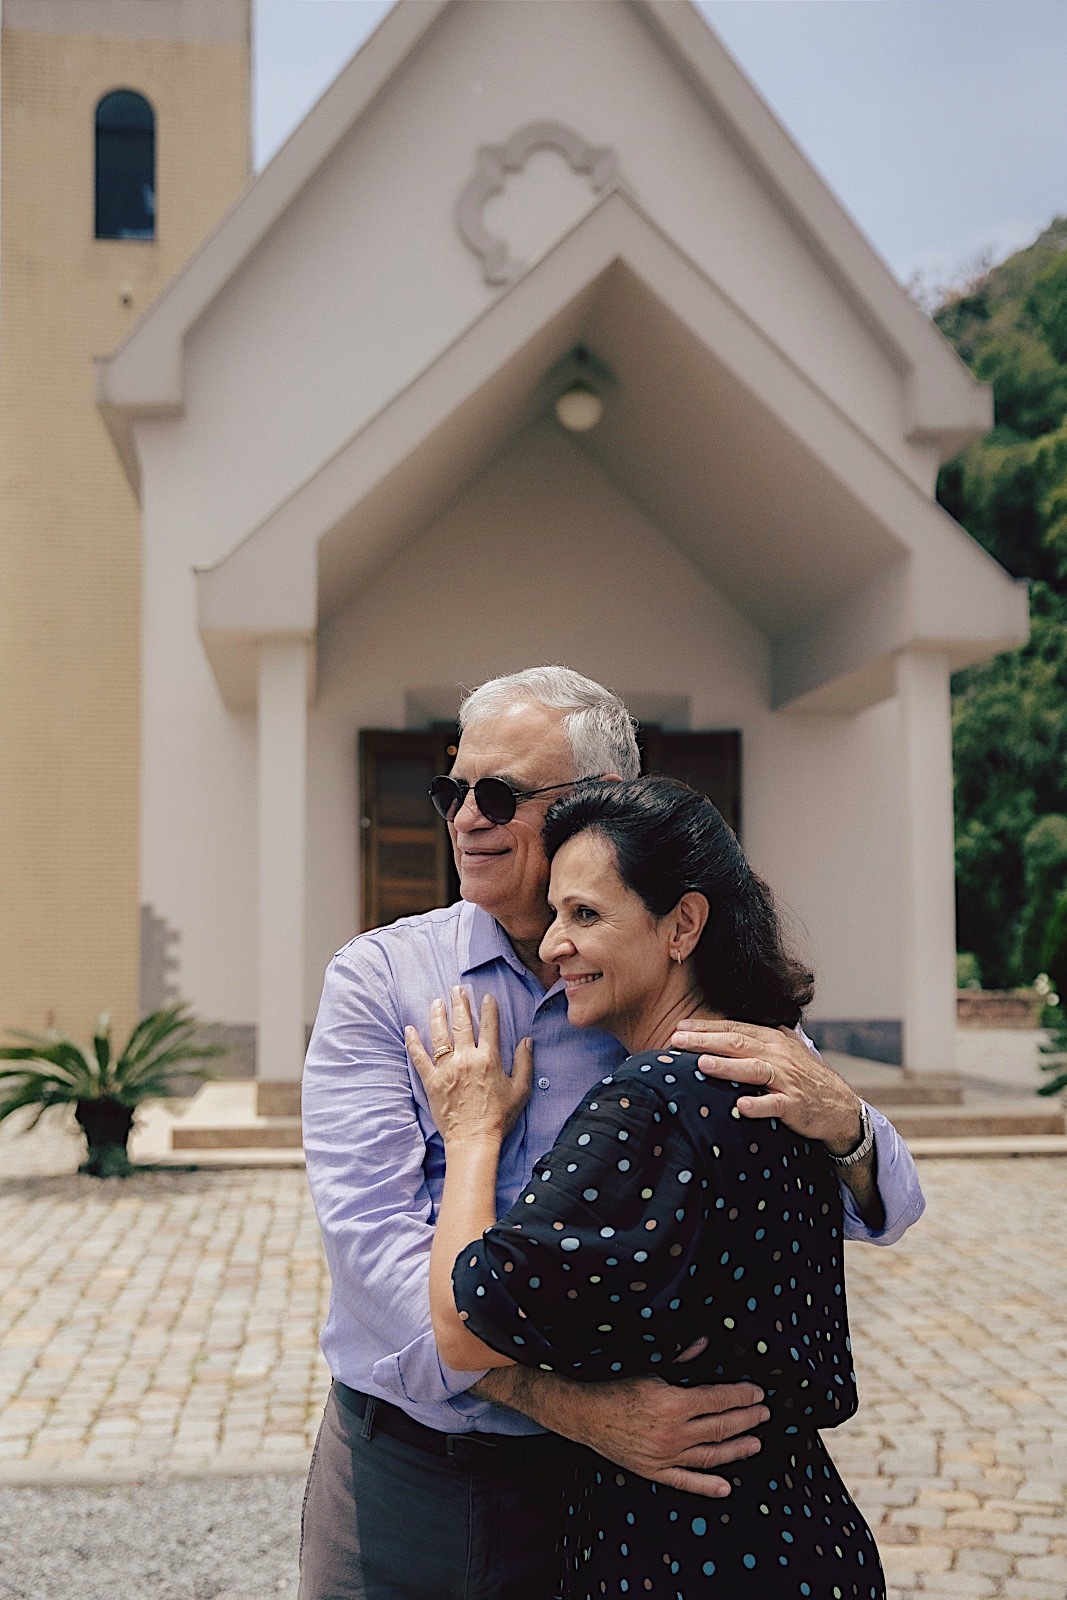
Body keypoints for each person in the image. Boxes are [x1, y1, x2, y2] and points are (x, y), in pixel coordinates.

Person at [299, 667, 922, 1600]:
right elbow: (370, 1246)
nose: (466, 816)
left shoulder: (682, 1003)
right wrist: (577, 1408)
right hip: (414, 1472)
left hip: (620, 1499)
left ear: (598, 804)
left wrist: (848, 1126)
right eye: (452, 788)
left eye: (499, 794)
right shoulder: (378, 981)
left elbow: (877, 1204)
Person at [409, 775, 885, 1599]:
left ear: (682, 925)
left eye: (586, 915)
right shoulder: (776, 1080)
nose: (555, 945)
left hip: (696, 1555)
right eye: (555, 914)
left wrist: (475, 1132)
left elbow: (463, 1330)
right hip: (804, 1534)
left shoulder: (650, 1103)